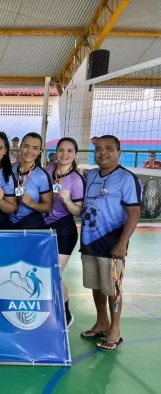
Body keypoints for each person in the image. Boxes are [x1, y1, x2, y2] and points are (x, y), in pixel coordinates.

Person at [80, 135, 142, 351]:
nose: (102, 153)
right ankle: (101, 322)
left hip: (112, 243)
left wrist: (123, 242)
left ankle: (115, 329)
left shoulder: (126, 178)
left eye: (108, 149)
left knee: (113, 288)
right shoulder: (91, 175)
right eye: (98, 149)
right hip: (89, 240)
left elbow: (134, 212)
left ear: (119, 152)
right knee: (96, 286)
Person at [45, 137, 85, 327]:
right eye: (61, 150)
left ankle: (66, 315)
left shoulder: (76, 179)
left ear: (75, 154)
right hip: (43, 228)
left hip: (64, 229)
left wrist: (68, 201)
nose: (65, 154)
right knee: (42, 272)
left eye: (70, 151)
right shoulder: (47, 171)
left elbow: (78, 211)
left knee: (54, 274)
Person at [10, 132, 53, 229]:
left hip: (30, 225)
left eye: (35, 148)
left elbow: (48, 207)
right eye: (26, 146)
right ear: (20, 147)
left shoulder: (41, 176)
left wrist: (31, 203)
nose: (29, 151)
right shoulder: (13, 168)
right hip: (10, 222)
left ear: (40, 151)